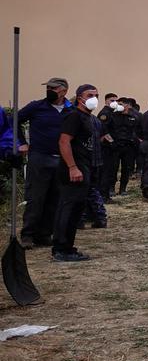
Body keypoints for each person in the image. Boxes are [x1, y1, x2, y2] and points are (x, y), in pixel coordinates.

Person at [16, 77, 73, 249]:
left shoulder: (71, 110)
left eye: (53, 88)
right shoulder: (37, 106)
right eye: (48, 88)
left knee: (55, 198)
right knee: (35, 198)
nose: (49, 91)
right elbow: (14, 120)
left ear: (64, 91)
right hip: (40, 158)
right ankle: (28, 235)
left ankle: (45, 234)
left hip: (62, 160)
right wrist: (21, 142)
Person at [51, 85, 100, 261]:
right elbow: (64, 142)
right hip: (73, 169)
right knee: (68, 208)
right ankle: (61, 249)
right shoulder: (74, 116)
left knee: (76, 209)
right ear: (80, 98)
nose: (94, 98)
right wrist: (72, 167)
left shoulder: (88, 118)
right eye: (90, 95)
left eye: (96, 95)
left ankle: (68, 247)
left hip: (84, 167)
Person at [105, 97, 139, 195]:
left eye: (121, 104)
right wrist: (111, 142)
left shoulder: (133, 117)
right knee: (113, 168)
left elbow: (136, 131)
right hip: (116, 146)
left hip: (128, 146)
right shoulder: (113, 116)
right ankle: (111, 188)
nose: (118, 106)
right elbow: (106, 129)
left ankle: (123, 189)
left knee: (126, 168)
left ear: (127, 105)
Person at [96, 92, 118, 202]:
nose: (114, 103)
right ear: (106, 101)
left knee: (110, 171)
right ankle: (103, 195)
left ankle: (105, 194)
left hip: (110, 147)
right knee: (105, 171)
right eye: (112, 100)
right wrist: (112, 142)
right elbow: (103, 131)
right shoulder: (105, 113)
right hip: (106, 147)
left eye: (116, 101)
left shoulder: (111, 113)